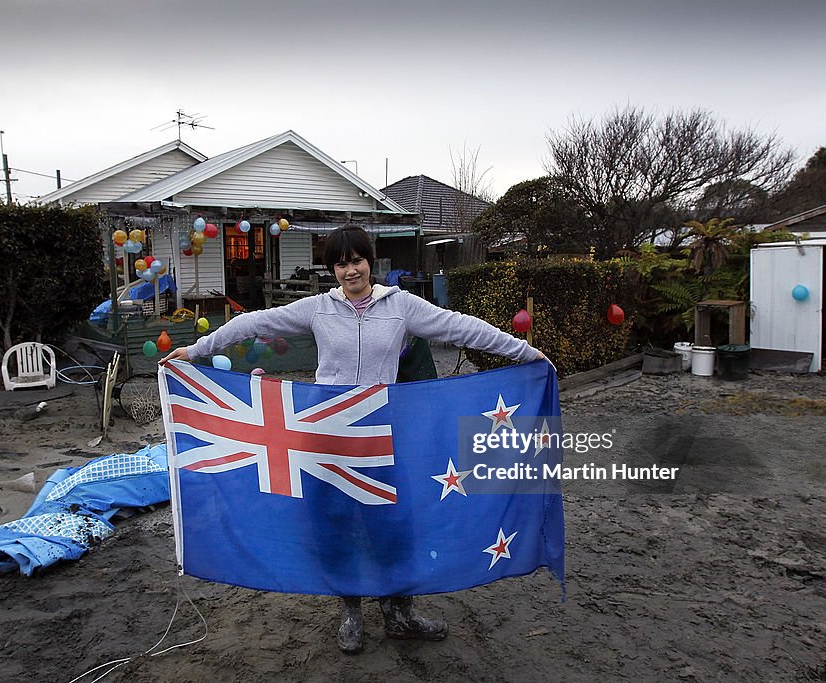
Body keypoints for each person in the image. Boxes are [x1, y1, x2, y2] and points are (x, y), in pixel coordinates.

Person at [161, 224, 549, 654]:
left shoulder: (401, 306)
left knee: (394, 526)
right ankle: (350, 612)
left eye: (357, 260)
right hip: (327, 436)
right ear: (332, 269)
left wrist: (524, 351)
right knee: (338, 524)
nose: (350, 271)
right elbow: (254, 321)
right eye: (341, 263)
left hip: (381, 434)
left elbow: (460, 327)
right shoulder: (317, 309)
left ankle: (399, 612)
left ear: (370, 262)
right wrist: (196, 350)